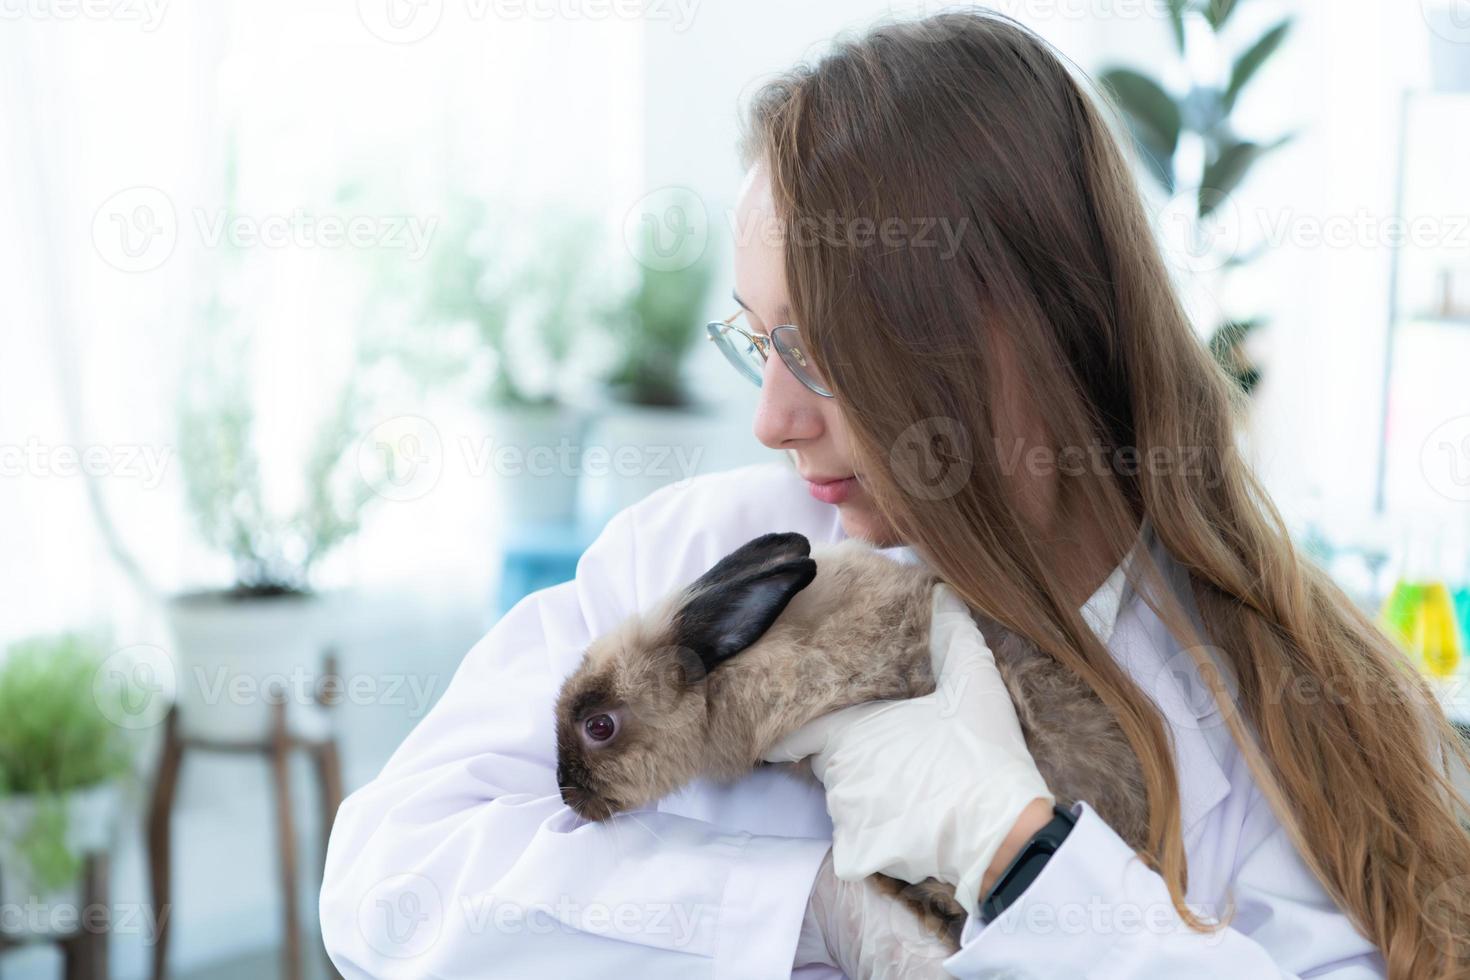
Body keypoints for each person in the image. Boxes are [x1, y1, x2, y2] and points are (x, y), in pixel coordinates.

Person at [320, 10, 1470, 978]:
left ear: (1024, 331)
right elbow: (388, 878)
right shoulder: (688, 552)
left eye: (820, 350)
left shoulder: (1295, 714)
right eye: (756, 342)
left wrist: (1018, 854)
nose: (772, 419)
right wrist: (812, 908)